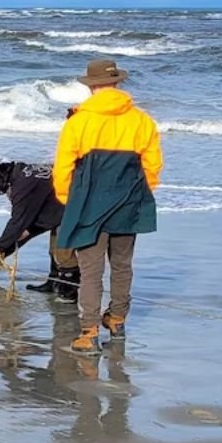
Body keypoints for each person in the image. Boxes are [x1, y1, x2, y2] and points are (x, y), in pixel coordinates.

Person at [53, 59, 162, 354]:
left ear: (91, 87)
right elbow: (153, 166)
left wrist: (67, 199)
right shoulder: (142, 120)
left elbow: (62, 167)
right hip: (128, 200)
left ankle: (89, 332)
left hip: (88, 202)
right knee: (122, 265)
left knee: (91, 270)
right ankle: (117, 319)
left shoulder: (78, 121)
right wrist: (139, 193)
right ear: (117, 84)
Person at [0, 160, 78, 302]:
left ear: (6, 182)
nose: (8, 195)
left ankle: (69, 292)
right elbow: (39, 210)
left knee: (63, 252)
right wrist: (27, 230)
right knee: (53, 249)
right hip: (63, 203)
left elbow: (17, 222)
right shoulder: (26, 172)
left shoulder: (23, 186)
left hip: (74, 206)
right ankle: (53, 282)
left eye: (6, 191)